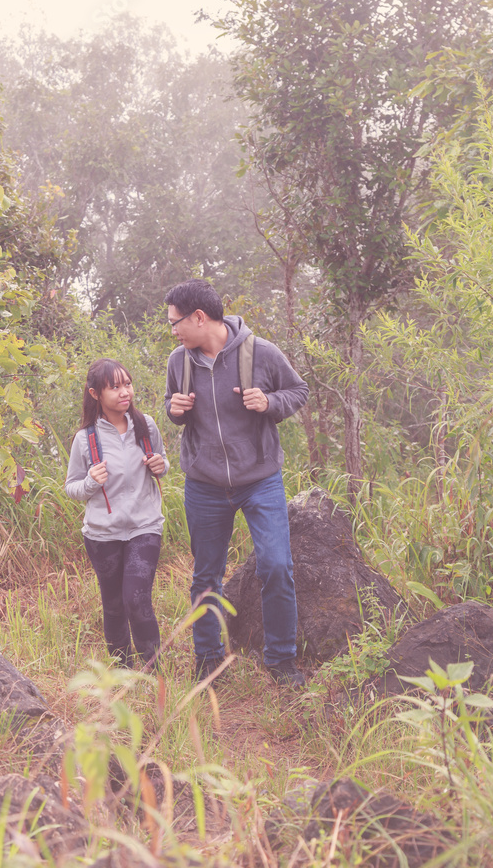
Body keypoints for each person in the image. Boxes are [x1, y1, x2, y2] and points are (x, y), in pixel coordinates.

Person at [164, 280, 309, 688]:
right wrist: (174, 409)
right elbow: (172, 406)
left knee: (277, 566)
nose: (173, 330)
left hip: (260, 479)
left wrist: (270, 402)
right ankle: (208, 661)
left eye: (175, 322)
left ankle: (281, 661)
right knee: (205, 575)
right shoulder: (179, 361)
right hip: (204, 483)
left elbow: (299, 390)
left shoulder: (260, 352)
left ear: (199, 317)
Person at [65, 358, 169, 669]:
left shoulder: (145, 425)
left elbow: (161, 462)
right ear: (95, 394)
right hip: (102, 534)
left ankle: (153, 672)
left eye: (127, 384)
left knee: (136, 599)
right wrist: (90, 483)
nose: (125, 392)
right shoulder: (86, 439)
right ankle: (123, 671)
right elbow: (71, 487)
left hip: (144, 526)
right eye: (115, 387)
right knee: (112, 604)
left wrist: (161, 466)